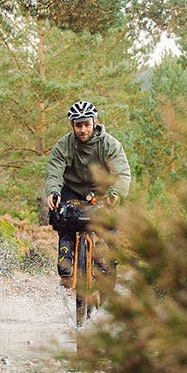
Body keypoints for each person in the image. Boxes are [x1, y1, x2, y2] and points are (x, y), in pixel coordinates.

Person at [44, 100, 131, 286]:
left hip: (102, 192)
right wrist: (53, 192)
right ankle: (65, 259)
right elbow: (54, 171)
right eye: (78, 125)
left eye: (87, 124)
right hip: (72, 191)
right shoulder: (63, 145)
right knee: (62, 216)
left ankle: (103, 257)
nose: (83, 130)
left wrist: (114, 195)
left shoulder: (110, 145)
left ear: (95, 122)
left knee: (108, 225)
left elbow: (122, 174)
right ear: (72, 125)